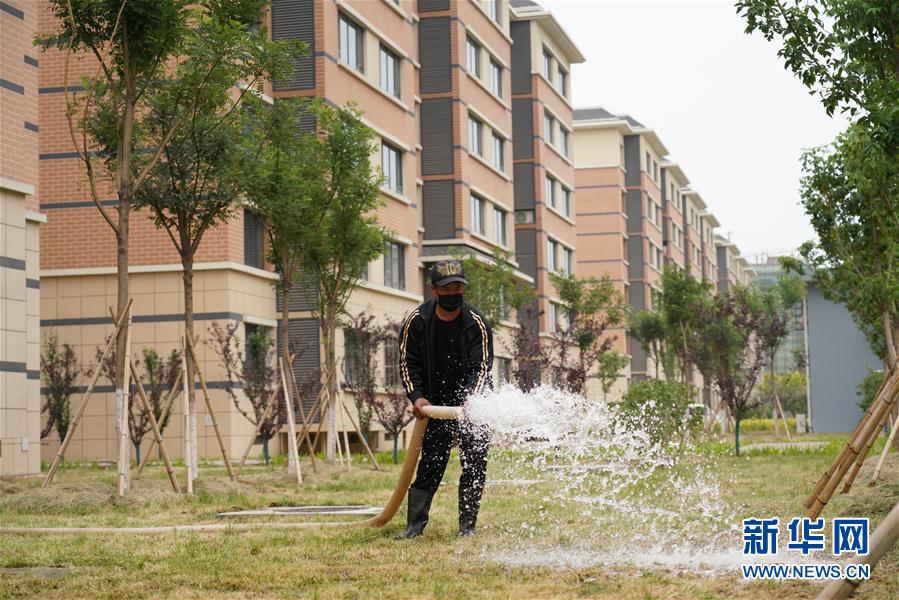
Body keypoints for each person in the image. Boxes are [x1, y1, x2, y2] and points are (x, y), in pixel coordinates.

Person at [396, 259, 493, 538]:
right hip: (434, 406)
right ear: (434, 290)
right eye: (447, 288)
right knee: (430, 465)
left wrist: (471, 403)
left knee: (474, 464)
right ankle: (414, 528)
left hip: (473, 405)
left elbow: (482, 366)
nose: (453, 293)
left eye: (457, 288)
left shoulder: (476, 323)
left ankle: (467, 528)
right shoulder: (418, 321)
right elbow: (408, 363)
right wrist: (417, 397)